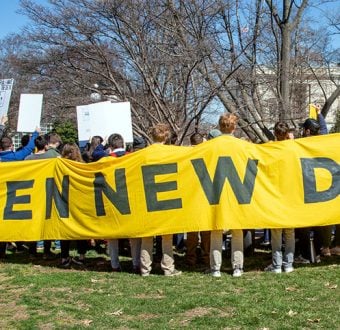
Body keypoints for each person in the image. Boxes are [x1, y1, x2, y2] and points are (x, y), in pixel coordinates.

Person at [140, 123, 181, 276]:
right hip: (168, 198)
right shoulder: (173, 152)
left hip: (148, 198)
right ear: (166, 136)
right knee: (167, 238)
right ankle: (168, 268)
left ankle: (145, 269)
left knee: (147, 236)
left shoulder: (143, 154)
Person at [208, 113, 244, 277]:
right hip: (237, 191)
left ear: (220, 126)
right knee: (237, 231)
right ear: (234, 127)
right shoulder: (242, 145)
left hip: (216, 191)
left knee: (216, 229)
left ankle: (215, 268)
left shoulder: (210, 146)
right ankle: (237, 267)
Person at [295, 118, 333, 262]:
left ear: (307, 131)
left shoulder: (300, 145)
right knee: (318, 223)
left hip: (306, 188)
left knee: (304, 225)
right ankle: (316, 253)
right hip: (322, 189)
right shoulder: (324, 144)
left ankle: (305, 255)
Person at [0, 127, 40, 259]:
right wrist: (35, 134)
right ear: (11, 146)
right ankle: (24, 247)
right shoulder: (15, 157)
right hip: (14, 194)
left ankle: (2, 252)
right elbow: (28, 149)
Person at [264, 122, 295, 273]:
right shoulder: (294, 148)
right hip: (290, 194)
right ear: (287, 133)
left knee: (276, 232)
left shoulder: (269, 148)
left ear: (275, 133)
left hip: (274, 194)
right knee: (289, 232)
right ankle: (288, 264)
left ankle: (277, 265)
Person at [59, 143, 88, 267]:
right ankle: (81, 256)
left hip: (64, 201)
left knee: (64, 230)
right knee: (81, 229)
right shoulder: (83, 166)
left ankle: (64, 257)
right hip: (80, 201)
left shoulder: (59, 165)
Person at [185, 132, 210, 268]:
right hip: (205, 196)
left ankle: (191, 258)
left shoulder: (185, 156)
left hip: (190, 198)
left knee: (192, 231)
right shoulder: (208, 155)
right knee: (206, 231)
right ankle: (206, 257)